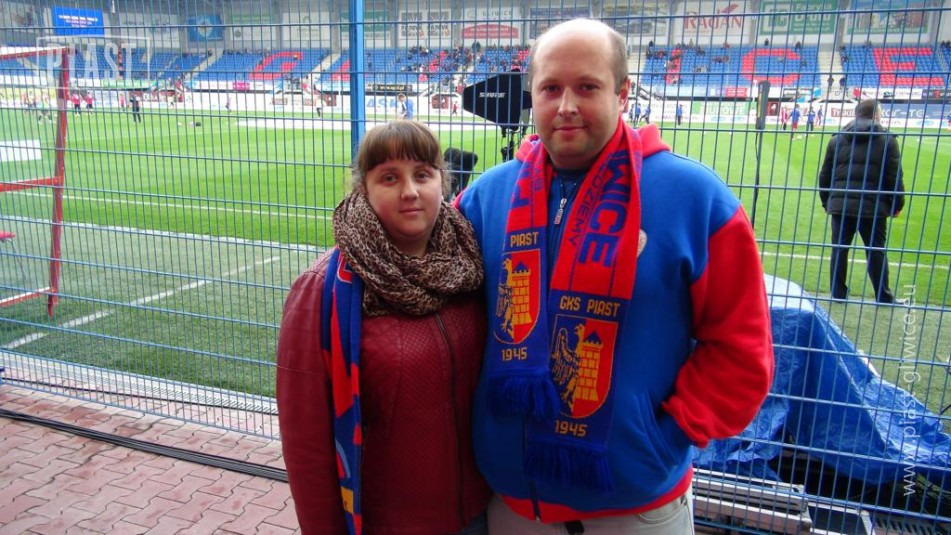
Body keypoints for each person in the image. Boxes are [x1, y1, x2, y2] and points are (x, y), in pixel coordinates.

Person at [456, 18, 774, 534]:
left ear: (622, 93)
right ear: (532, 95)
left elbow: (743, 351)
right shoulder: (484, 199)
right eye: (550, 88)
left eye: (587, 87)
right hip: (511, 507)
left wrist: (664, 439)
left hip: (636, 511)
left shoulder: (695, 200)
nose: (566, 106)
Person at [277, 120, 491, 534]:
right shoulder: (324, 288)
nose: (410, 191)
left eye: (422, 175)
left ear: (442, 182)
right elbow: (306, 446)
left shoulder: (469, 262)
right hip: (389, 524)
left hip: (479, 514)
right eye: (389, 178)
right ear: (364, 189)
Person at [818, 99, 905, 304]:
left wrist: (827, 202)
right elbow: (894, 177)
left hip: (841, 205)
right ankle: (883, 295)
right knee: (875, 250)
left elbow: (825, 175)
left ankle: (837, 293)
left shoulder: (837, 139)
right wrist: (897, 205)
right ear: (875, 115)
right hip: (873, 206)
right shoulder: (887, 140)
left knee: (839, 248)